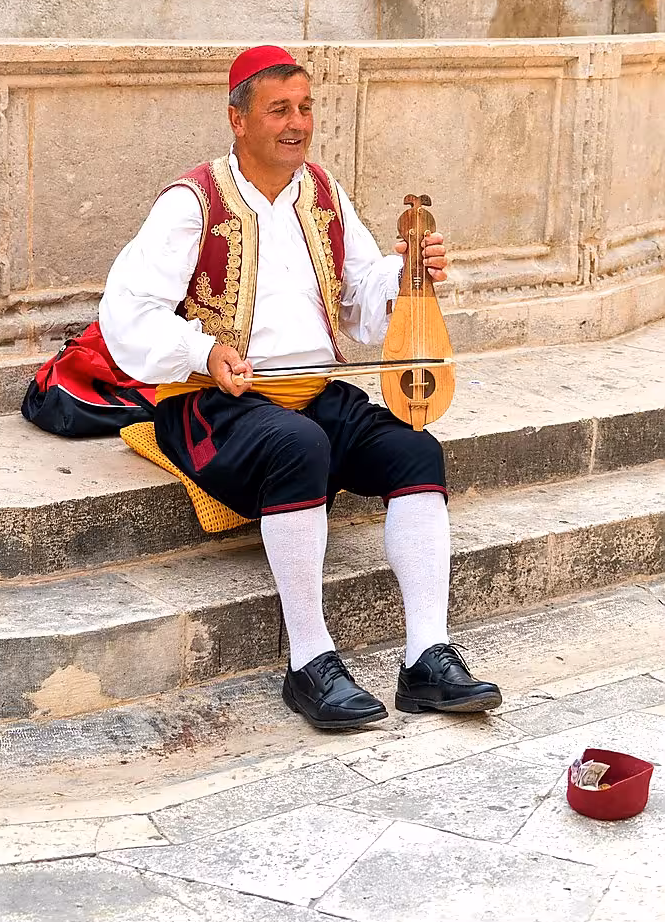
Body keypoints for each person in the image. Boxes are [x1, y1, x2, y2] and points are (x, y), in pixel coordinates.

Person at [100, 45, 502, 730]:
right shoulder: (191, 203)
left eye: (306, 107)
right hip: (212, 403)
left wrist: (408, 275)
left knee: (416, 451)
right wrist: (203, 350)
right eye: (279, 109)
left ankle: (426, 659)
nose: (297, 123)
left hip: (312, 394)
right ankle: (309, 663)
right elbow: (126, 312)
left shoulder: (323, 193)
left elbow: (362, 296)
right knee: (298, 446)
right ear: (237, 119)